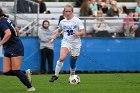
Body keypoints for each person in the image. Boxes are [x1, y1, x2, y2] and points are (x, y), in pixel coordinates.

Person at [0, 8, 35, 91]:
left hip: (15, 47)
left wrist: (0, 43)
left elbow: (8, 33)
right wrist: (17, 38)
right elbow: (16, 29)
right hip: (9, 46)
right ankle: (26, 73)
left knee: (16, 70)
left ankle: (30, 87)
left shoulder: (2, 22)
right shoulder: (6, 19)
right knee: (6, 71)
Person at [49, 4, 85, 82]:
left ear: (72, 12)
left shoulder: (77, 20)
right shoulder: (62, 22)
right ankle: (56, 75)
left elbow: (83, 32)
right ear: (64, 12)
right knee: (62, 58)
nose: (68, 13)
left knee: (73, 62)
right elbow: (59, 31)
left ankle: (72, 74)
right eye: (66, 11)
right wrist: (53, 39)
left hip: (76, 43)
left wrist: (78, 33)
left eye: (69, 11)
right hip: (66, 42)